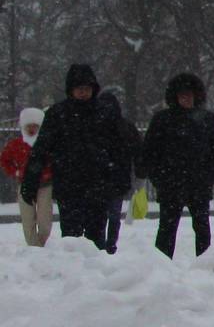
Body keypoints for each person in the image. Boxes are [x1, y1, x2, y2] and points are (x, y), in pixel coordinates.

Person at [23, 64, 137, 251]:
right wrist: (31, 179)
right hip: (69, 185)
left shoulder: (105, 113)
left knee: (97, 235)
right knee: (71, 236)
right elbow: (41, 150)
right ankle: (73, 274)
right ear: (71, 90)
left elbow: (119, 150)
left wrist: (120, 178)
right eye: (79, 89)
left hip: (99, 183)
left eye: (87, 88)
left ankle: (96, 274)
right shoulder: (58, 114)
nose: (84, 93)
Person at [141, 72, 214, 258]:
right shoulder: (162, 120)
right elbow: (150, 152)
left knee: (202, 229)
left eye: (189, 94)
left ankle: (204, 264)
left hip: (199, 185)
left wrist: (208, 178)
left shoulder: (206, 119)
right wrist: (160, 179)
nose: (186, 98)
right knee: (167, 230)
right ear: (175, 96)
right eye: (182, 95)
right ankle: (162, 265)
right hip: (171, 185)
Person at [98, 86, 144, 252]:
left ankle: (101, 242)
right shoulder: (125, 126)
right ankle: (111, 242)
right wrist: (139, 172)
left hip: (100, 178)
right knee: (114, 214)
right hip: (119, 177)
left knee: (101, 214)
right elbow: (137, 151)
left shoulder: (96, 126)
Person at [2, 108, 53, 246]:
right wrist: (16, 172)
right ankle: (33, 246)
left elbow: (56, 162)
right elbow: (4, 160)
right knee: (27, 219)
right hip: (24, 185)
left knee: (45, 221)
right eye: (29, 125)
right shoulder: (16, 144)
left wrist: (49, 173)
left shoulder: (48, 144)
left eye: (35, 126)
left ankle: (40, 243)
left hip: (45, 186)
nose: (32, 129)